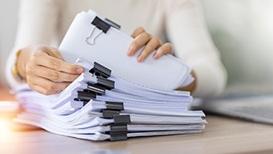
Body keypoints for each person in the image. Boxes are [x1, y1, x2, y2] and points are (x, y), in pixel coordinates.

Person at [5, 0, 227, 97]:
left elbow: (214, 75)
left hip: (143, 125)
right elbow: (14, 69)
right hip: (75, 122)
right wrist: (26, 62)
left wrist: (167, 73)